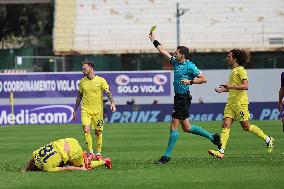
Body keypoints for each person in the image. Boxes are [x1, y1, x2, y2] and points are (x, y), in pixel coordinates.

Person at [148, 32, 221, 164]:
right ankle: (213, 137)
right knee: (187, 127)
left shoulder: (190, 66)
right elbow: (163, 52)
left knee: (173, 126)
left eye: (177, 52)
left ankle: (166, 156)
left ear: (183, 55)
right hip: (179, 98)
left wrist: (190, 82)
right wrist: (154, 40)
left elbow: (204, 79)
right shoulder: (176, 62)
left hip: (183, 99)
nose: (174, 53)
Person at [208, 49, 274, 159]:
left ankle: (268, 139)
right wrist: (223, 90)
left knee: (246, 127)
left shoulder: (241, 70)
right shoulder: (233, 71)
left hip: (240, 103)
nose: (227, 58)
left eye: (229, 56)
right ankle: (221, 151)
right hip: (231, 102)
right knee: (225, 125)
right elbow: (234, 88)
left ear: (235, 58)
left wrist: (230, 86)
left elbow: (245, 86)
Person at [73, 61, 116, 160]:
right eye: (82, 68)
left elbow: (108, 93)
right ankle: (90, 152)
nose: (82, 70)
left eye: (84, 68)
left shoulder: (101, 80)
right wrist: (75, 109)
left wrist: (113, 103)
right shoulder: (82, 82)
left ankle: (98, 153)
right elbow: (79, 95)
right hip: (85, 110)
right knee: (86, 130)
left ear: (91, 69)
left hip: (98, 112)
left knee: (98, 132)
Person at [22, 138, 112, 172]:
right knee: (69, 161)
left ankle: (104, 161)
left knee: (85, 166)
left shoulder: (47, 168)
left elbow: (66, 168)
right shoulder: (35, 154)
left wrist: (80, 169)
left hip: (73, 152)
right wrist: (26, 169)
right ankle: (86, 156)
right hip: (68, 140)